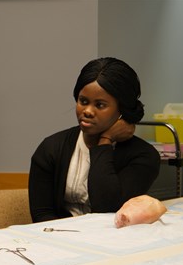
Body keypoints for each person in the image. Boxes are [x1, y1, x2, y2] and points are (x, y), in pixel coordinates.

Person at [28, 57, 160, 223]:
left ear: (121, 110)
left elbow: (108, 207)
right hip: (59, 239)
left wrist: (105, 141)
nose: (87, 111)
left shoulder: (144, 156)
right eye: (83, 101)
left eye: (100, 105)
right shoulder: (51, 148)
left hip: (116, 242)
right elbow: (41, 215)